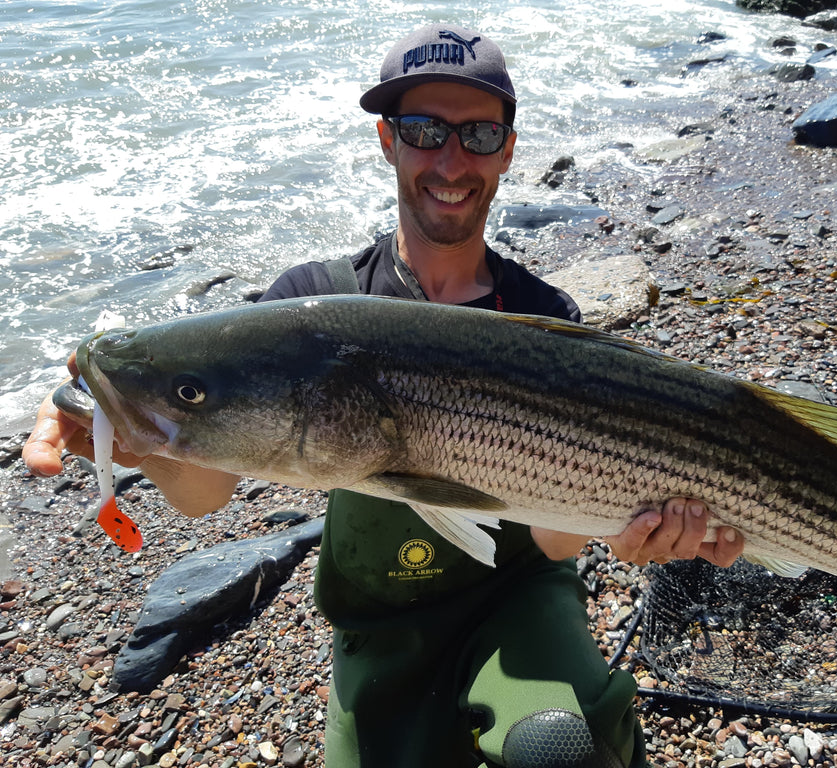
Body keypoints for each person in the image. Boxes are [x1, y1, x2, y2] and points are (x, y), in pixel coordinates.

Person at [23, 23, 744, 768]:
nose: (451, 159)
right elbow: (207, 494)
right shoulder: (309, 303)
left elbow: (557, 540)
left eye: (479, 134)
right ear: (386, 141)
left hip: (519, 599)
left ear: (508, 150)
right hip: (379, 618)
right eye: (424, 129)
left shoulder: (543, 319)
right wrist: (140, 430)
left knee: (561, 748)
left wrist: (637, 531)